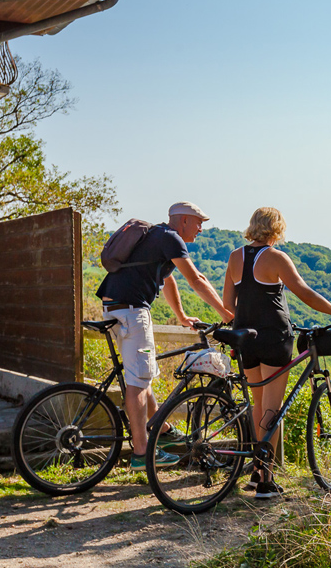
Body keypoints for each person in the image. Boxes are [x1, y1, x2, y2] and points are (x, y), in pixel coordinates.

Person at [223, 206, 331, 499]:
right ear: (277, 228)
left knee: (259, 405)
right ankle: (265, 481)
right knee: (273, 408)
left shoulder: (235, 257)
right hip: (273, 338)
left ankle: (258, 470)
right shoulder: (276, 257)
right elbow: (304, 292)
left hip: (246, 339)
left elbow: (227, 304)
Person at [96, 201, 235, 470]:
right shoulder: (170, 237)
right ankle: (141, 453)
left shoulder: (156, 237)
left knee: (142, 374)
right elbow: (196, 280)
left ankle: (163, 431)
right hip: (133, 311)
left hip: (114, 308)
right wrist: (227, 313)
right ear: (183, 220)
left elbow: (168, 280)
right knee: (137, 382)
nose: (201, 229)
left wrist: (182, 317)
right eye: (199, 223)